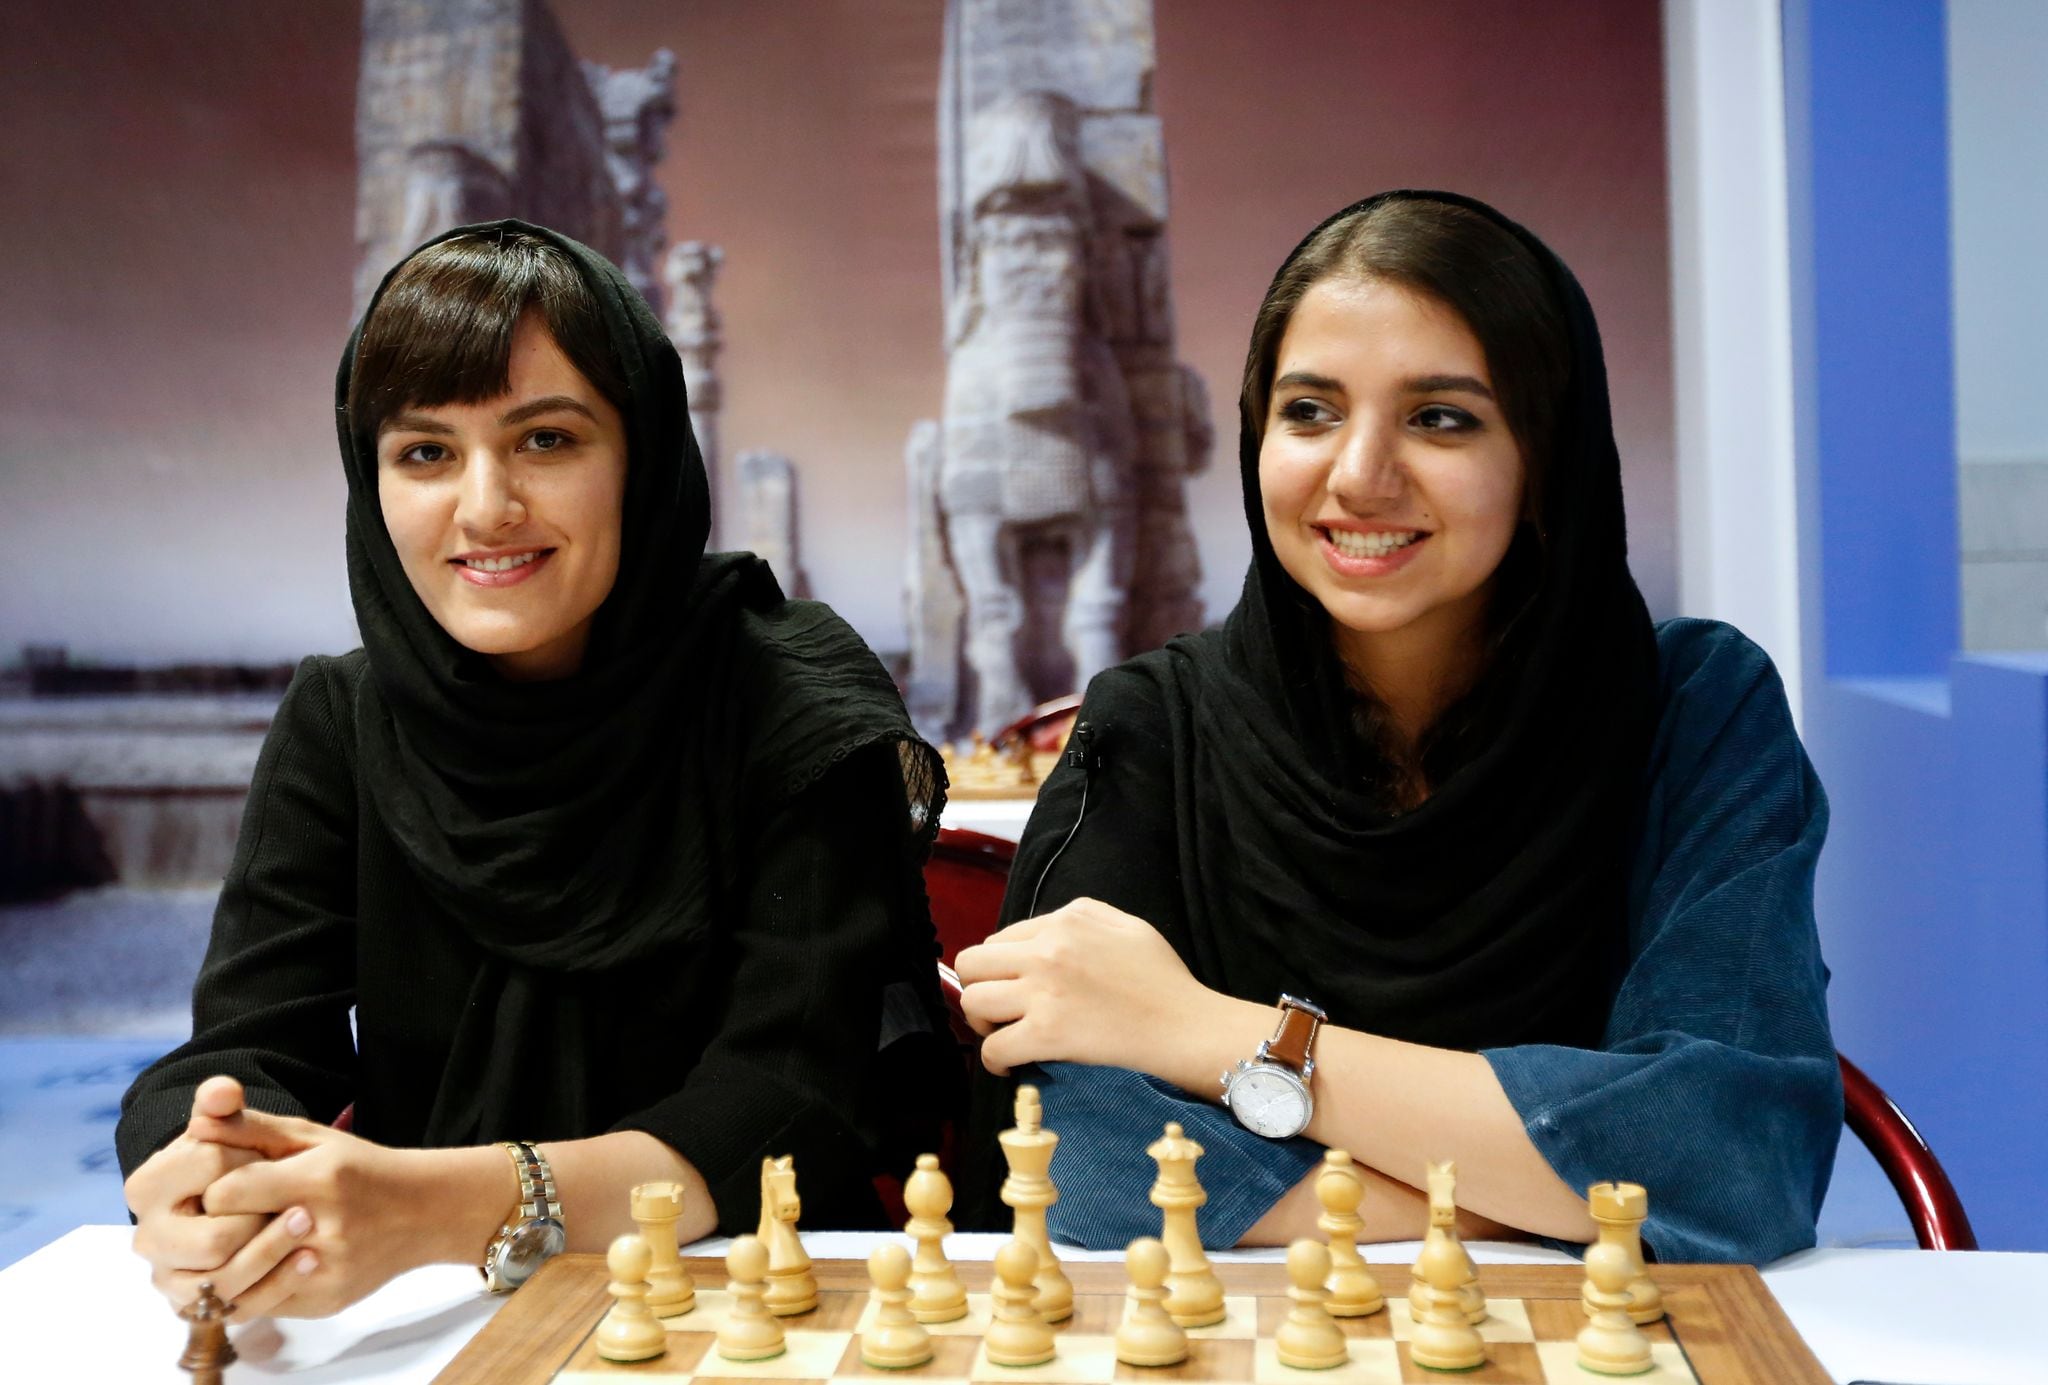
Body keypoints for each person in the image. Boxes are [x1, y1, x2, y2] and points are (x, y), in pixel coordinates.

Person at [953, 190, 1839, 1265]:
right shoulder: (1153, 725)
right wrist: (1550, 1193)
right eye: (1309, 411)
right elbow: (1081, 1168)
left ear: (1543, 455)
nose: (1358, 475)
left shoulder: (1693, 709)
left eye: (1440, 417)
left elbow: (1729, 1148)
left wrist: (1201, 1030)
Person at [117, 222, 954, 1320]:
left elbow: (789, 1101)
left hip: (754, 1305)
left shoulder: (786, 700)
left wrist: (429, 1204)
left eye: (546, 440)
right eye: (424, 452)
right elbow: (246, 1046)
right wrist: (210, 1160)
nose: (484, 506)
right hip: (443, 1315)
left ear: (642, 455)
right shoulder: (343, 718)